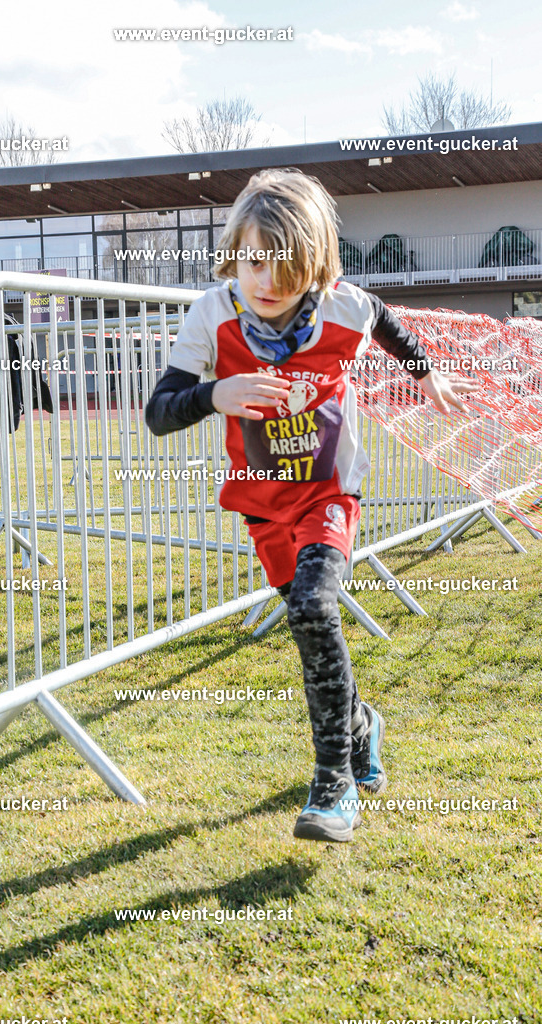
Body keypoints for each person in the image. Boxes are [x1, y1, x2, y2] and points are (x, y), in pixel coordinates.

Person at [145, 169, 476, 842]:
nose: (267, 281)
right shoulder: (212, 314)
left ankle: (333, 781)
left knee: (310, 606)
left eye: (288, 269)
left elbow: (379, 317)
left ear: (318, 270)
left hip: (330, 492)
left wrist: (424, 372)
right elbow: (157, 413)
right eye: (253, 261)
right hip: (263, 502)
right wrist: (215, 395)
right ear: (233, 251)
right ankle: (362, 724)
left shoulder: (341, 306)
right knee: (307, 626)